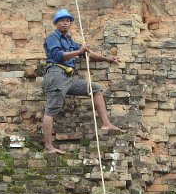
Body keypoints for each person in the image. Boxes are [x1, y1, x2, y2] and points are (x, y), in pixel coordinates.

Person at [42, 8, 125, 154]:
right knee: (51, 110)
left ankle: (105, 123)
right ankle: (49, 147)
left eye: (68, 21)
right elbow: (59, 56)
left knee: (95, 88)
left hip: (69, 77)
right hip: (56, 75)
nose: (65, 23)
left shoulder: (69, 40)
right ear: (56, 23)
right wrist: (79, 52)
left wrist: (107, 58)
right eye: (62, 21)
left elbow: (87, 53)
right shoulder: (52, 38)